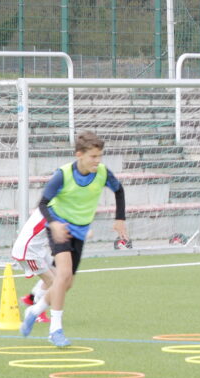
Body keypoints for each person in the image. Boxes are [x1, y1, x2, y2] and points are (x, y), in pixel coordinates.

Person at [20, 131, 127, 347]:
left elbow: (119, 190)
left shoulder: (103, 173)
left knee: (67, 283)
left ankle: (35, 310)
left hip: (80, 230)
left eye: (100, 156)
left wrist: (120, 219)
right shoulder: (63, 175)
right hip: (60, 227)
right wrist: (54, 224)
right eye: (93, 156)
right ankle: (55, 330)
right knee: (63, 274)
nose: (97, 161)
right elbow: (43, 204)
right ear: (79, 155)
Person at [11, 208, 54, 324]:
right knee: (54, 283)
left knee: (59, 274)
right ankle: (35, 312)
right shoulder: (54, 210)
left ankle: (32, 297)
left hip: (38, 248)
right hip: (29, 251)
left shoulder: (49, 206)